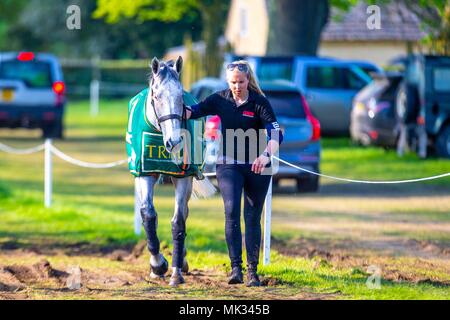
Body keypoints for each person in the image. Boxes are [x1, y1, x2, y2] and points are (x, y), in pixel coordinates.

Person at [185, 60, 283, 287]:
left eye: (240, 81)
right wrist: (175, 107)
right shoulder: (220, 99)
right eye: (232, 82)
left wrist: (265, 156)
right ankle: (235, 268)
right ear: (227, 81)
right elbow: (194, 112)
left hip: (258, 166)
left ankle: (252, 272)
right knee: (231, 211)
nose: (237, 86)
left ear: (248, 80)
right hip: (228, 164)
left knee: (252, 217)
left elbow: (276, 134)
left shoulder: (260, 103)